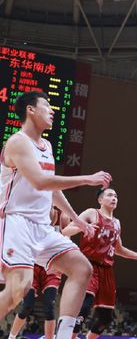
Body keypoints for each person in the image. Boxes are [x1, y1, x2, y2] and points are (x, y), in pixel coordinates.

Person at [0, 91, 111, 339]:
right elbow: (40, 182)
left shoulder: (47, 146)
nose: (52, 111)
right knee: (18, 290)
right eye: (47, 105)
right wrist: (87, 178)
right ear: (30, 110)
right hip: (16, 221)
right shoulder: (17, 142)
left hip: (42, 227)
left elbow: (52, 190)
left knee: (82, 268)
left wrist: (77, 218)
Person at [62, 188, 137, 339]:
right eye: (110, 195)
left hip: (107, 271)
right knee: (84, 307)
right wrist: (83, 226)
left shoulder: (117, 223)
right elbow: (66, 231)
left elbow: (119, 249)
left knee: (105, 318)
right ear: (100, 200)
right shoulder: (91, 213)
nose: (114, 198)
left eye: (116, 196)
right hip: (88, 266)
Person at [8, 207, 70, 339]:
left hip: (52, 266)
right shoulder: (30, 211)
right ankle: (12, 337)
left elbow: (67, 242)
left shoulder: (62, 216)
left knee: (49, 306)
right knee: (27, 306)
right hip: (32, 266)